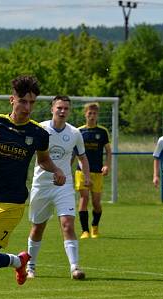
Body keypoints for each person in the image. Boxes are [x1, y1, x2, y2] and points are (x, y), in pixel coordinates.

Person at [0, 75, 66, 299]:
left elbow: (43, 160)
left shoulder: (38, 133)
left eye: (32, 102)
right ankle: (18, 261)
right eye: (23, 102)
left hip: (12, 203)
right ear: (12, 100)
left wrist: (56, 170)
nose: (28, 107)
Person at [26, 96, 91, 280]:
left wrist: (86, 176)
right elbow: (33, 156)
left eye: (66, 109)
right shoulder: (41, 129)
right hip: (42, 185)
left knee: (68, 224)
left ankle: (74, 267)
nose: (62, 111)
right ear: (52, 109)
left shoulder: (74, 133)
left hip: (64, 186)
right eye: (59, 108)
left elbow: (83, 157)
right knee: (38, 227)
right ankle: (31, 267)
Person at [75, 102, 111, 238]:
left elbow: (108, 151)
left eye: (94, 113)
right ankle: (85, 231)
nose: (92, 115)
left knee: (96, 202)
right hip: (81, 172)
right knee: (84, 199)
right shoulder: (79, 131)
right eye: (89, 113)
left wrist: (107, 165)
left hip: (97, 172)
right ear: (85, 114)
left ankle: (95, 226)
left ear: (97, 115)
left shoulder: (102, 132)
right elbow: (74, 152)